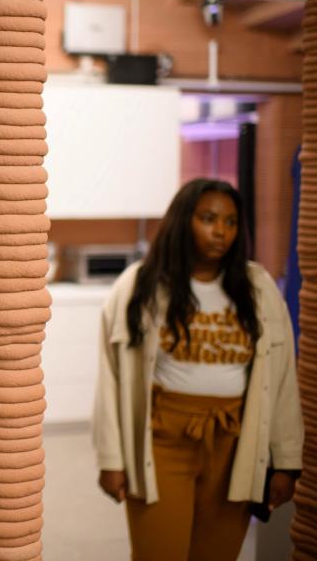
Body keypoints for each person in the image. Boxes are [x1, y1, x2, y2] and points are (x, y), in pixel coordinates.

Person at [92, 178, 303, 560]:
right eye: (208, 218)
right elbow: (111, 379)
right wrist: (111, 460)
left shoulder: (257, 288)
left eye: (231, 222)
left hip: (235, 444)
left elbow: (283, 380)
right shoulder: (140, 285)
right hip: (162, 442)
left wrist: (286, 461)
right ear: (183, 221)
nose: (220, 231)